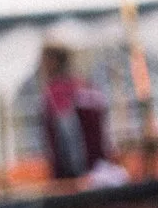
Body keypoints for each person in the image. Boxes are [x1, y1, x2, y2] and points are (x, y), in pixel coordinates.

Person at [39, 44, 114, 182]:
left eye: (44, 61)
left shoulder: (57, 91)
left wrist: (77, 174)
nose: (41, 66)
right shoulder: (83, 83)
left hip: (77, 173)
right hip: (99, 165)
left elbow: (69, 133)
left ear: (54, 61)